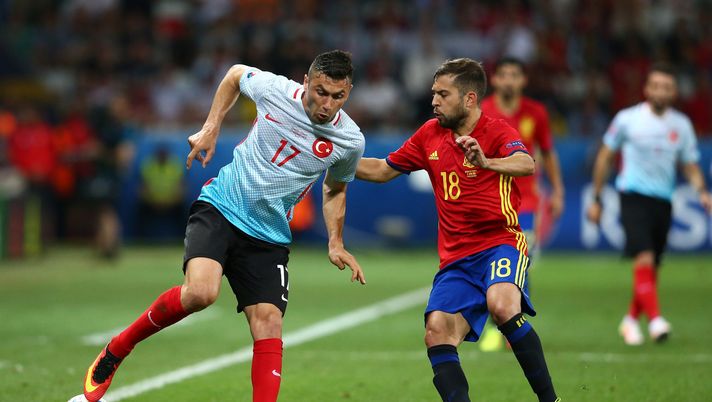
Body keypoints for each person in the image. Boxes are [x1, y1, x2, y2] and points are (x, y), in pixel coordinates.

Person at [79, 50, 366, 402]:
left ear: (348, 92)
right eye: (320, 91)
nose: (327, 104)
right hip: (222, 207)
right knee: (201, 293)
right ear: (306, 82)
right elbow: (234, 75)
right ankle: (117, 349)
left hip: (268, 234)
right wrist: (211, 127)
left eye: (338, 96)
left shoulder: (350, 140)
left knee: (269, 323)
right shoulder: (275, 90)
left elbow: (336, 187)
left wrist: (335, 241)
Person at [356, 58, 559, 402]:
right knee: (437, 331)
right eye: (434, 93)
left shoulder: (497, 130)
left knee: (502, 304)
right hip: (456, 260)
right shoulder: (428, 135)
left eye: (442, 94)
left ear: (468, 99)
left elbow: (526, 162)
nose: (433, 101)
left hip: (501, 242)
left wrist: (487, 162)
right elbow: (381, 169)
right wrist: (331, 158)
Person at [587, 63, 712, 346]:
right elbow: (605, 156)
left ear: (674, 92)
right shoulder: (628, 119)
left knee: (652, 265)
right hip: (632, 196)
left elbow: (690, 164)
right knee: (644, 258)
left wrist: (702, 191)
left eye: (667, 87)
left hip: (664, 201)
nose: (661, 92)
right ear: (647, 89)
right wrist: (596, 198)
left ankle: (630, 320)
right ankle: (656, 321)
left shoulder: (681, 125)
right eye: (656, 86)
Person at [478, 57, 565, 351]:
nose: (509, 80)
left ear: (523, 81)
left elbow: (548, 153)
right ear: (496, 80)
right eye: (504, 75)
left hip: (525, 201)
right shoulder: (483, 111)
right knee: (491, 265)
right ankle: (500, 325)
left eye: (515, 75)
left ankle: (506, 326)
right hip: (491, 200)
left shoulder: (536, 113)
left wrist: (559, 191)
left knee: (520, 265)